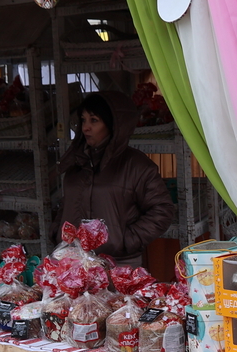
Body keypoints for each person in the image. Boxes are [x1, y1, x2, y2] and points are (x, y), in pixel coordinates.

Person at [58, 91, 176, 267]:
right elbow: (67, 205)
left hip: (118, 266)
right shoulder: (77, 163)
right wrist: (56, 230)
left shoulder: (136, 165)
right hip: (73, 265)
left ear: (113, 125)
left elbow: (163, 210)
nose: (85, 128)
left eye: (94, 120)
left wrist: (125, 240)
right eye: (83, 120)